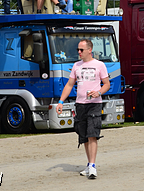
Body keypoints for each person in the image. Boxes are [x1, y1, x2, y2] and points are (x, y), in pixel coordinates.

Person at [57, 39, 110, 180]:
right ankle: (89, 164)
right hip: (80, 105)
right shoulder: (76, 66)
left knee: (93, 134)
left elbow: (106, 84)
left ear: (89, 50)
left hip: (94, 104)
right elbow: (69, 85)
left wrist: (98, 92)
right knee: (84, 136)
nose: (79, 52)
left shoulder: (99, 65)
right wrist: (60, 102)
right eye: (78, 50)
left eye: (81, 50)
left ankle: (92, 166)